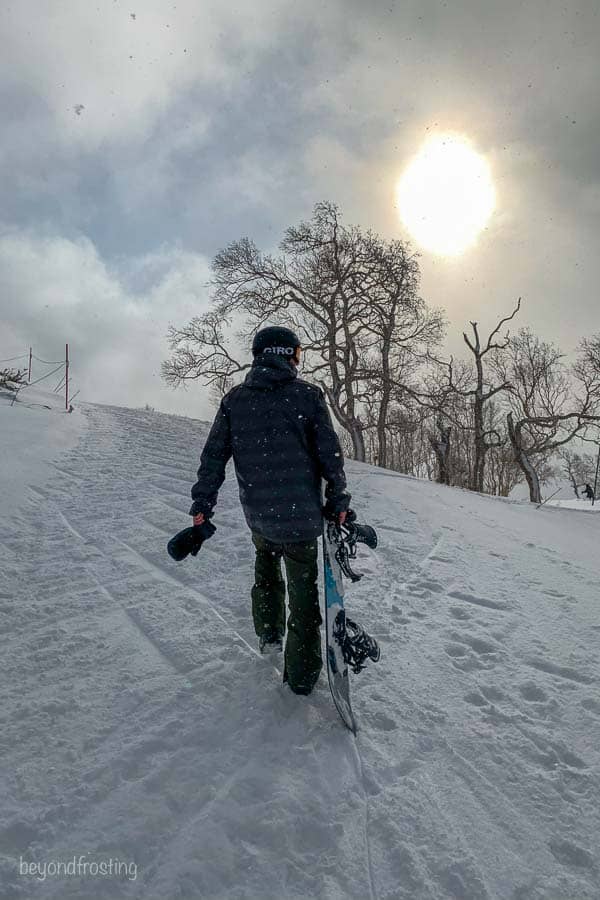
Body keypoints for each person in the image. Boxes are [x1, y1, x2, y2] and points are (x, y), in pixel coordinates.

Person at [189, 326, 350, 696]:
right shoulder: (307, 397)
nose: (299, 359)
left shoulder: (235, 400)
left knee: (265, 570)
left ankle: (268, 633)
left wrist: (202, 504)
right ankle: (302, 676)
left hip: (259, 515)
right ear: (288, 353)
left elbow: (213, 457)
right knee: (304, 596)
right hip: (301, 519)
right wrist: (339, 500)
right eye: (298, 352)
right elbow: (330, 456)